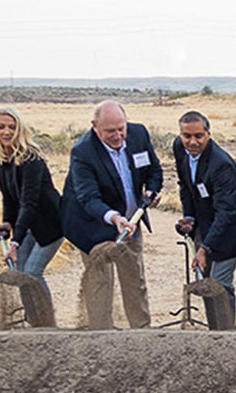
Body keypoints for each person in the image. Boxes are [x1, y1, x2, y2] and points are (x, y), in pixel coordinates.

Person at [59, 100, 163, 329]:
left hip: (131, 222)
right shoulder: (83, 152)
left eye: (121, 128)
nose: (117, 136)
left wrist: (152, 191)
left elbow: (154, 170)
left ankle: (141, 330)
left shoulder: (138, 134)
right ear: (95, 126)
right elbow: (88, 197)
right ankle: (101, 333)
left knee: (134, 278)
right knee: (100, 282)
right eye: (109, 131)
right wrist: (114, 218)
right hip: (93, 222)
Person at [172, 110, 236, 312]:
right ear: (180, 135)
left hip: (231, 229)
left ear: (208, 134)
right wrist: (189, 216)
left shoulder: (221, 165)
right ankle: (214, 332)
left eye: (198, 136)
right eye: (187, 136)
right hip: (204, 223)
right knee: (205, 282)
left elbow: (227, 212)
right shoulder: (179, 148)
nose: (192, 142)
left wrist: (204, 249)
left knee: (219, 285)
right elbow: (185, 185)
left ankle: (226, 333)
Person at [0, 106, 64, 294]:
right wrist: (7, 222)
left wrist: (15, 242)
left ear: (20, 129)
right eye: (1, 127)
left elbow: (29, 201)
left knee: (32, 273)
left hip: (51, 222)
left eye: (12, 127)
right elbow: (7, 194)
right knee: (20, 273)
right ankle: (34, 318)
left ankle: (47, 320)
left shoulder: (31, 157)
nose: (6, 132)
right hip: (28, 222)